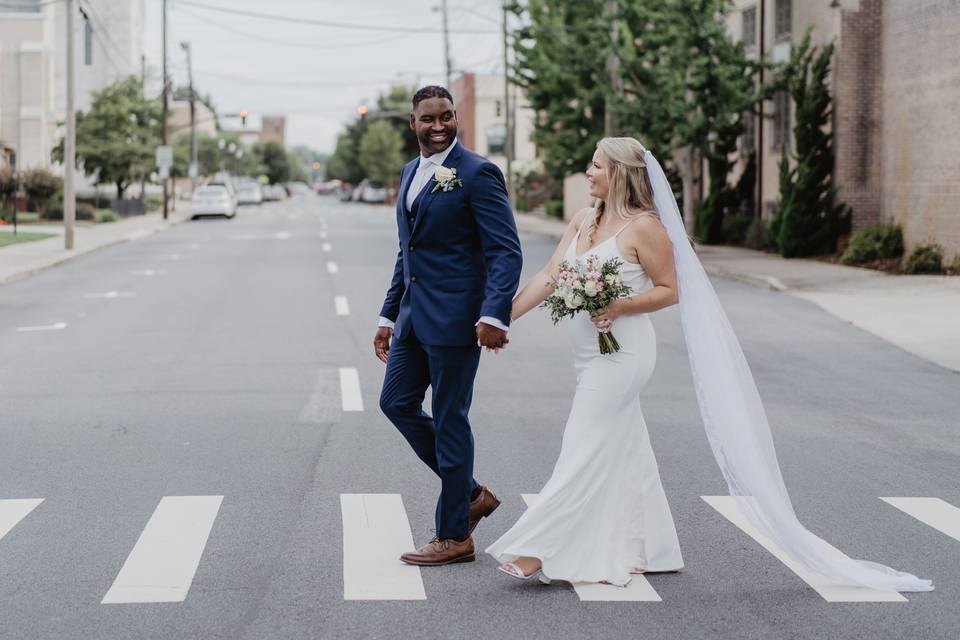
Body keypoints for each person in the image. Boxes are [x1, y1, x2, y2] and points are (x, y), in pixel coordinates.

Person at [487, 136, 934, 594]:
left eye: (596, 165)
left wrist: (620, 305)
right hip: (588, 355)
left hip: (624, 354)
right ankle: (654, 547)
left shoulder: (645, 228)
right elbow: (547, 277)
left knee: (583, 439)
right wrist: (500, 320)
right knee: (622, 443)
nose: (587, 172)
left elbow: (669, 289)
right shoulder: (584, 220)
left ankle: (540, 546)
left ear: (620, 173)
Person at [375, 86, 523, 567]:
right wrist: (388, 315)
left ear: (456, 117)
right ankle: (471, 493)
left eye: (446, 117)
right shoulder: (409, 173)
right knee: (395, 402)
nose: (438, 126)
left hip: (460, 322)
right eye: (427, 119)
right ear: (411, 123)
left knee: (451, 418)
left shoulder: (478, 173)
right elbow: (407, 252)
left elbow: (506, 251)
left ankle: (454, 534)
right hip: (415, 318)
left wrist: (493, 313)